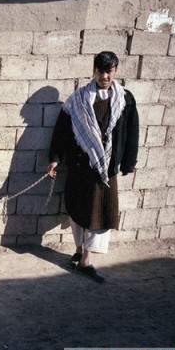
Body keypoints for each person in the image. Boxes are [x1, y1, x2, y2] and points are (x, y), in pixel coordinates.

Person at [48, 51, 139, 283]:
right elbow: (62, 131)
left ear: (115, 71)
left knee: (99, 213)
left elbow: (131, 135)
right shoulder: (77, 100)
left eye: (109, 71)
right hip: (80, 166)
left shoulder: (125, 100)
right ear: (94, 71)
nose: (104, 76)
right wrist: (55, 158)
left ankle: (87, 258)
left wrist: (128, 162)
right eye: (100, 71)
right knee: (78, 210)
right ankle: (78, 251)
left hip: (106, 170)